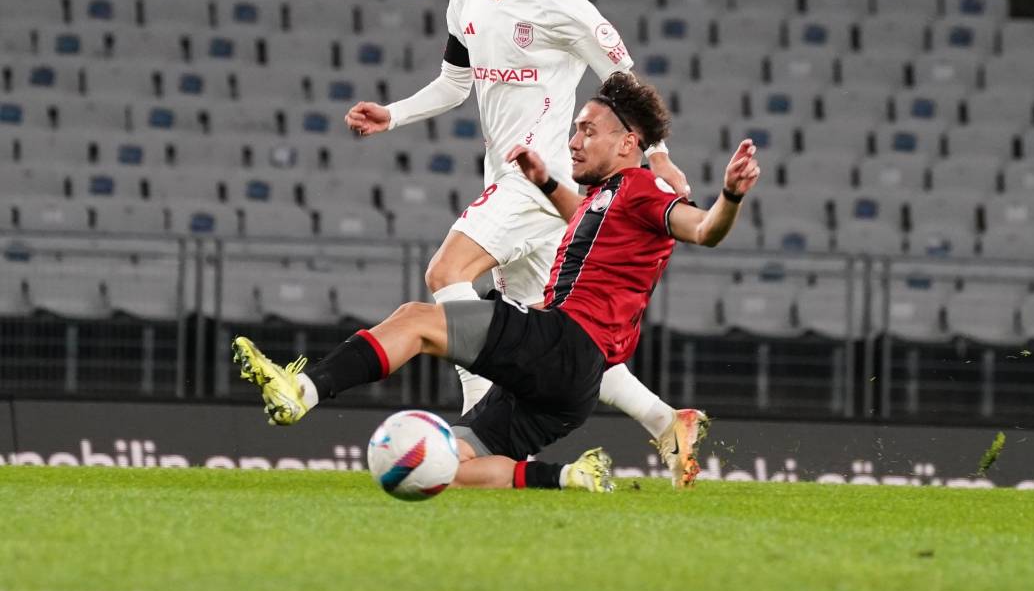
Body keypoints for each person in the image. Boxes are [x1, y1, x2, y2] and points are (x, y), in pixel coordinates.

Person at [343, 0, 707, 486]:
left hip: (544, 174)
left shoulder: (560, 1)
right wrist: (395, 113)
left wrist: (659, 153)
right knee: (556, 328)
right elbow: (457, 81)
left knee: (446, 276)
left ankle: (474, 417)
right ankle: (666, 420)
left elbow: (622, 74)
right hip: (509, 175)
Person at [234, 73, 760, 492]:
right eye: (575, 129)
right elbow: (587, 219)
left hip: (564, 344)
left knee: (416, 320)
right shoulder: (611, 195)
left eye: (586, 130)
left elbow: (704, 229)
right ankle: (567, 477)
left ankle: (301, 390)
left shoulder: (643, 187)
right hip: (574, 386)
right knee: (446, 464)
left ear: (628, 143)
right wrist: (545, 180)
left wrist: (730, 197)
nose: (574, 140)